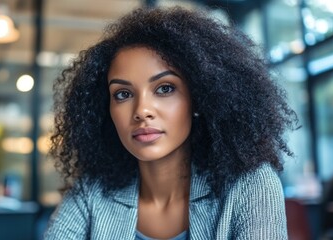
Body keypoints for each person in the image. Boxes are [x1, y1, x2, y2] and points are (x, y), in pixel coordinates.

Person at [44, 7, 297, 240]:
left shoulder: (250, 184)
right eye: (123, 94)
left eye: (165, 88)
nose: (142, 111)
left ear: (198, 99)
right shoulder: (92, 192)